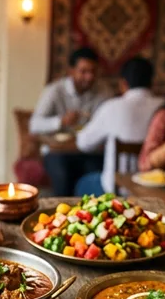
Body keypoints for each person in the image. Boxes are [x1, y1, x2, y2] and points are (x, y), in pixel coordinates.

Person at [74, 56, 164, 196]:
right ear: (152, 82)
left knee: (83, 183)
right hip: (156, 189)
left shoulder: (111, 107)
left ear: (123, 84)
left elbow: (83, 143)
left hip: (117, 192)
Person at [30, 47, 111, 196]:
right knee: (62, 175)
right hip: (57, 152)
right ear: (71, 71)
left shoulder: (103, 91)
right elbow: (34, 125)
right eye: (83, 71)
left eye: (93, 71)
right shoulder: (54, 90)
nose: (89, 77)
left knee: (97, 177)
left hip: (89, 151)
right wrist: (61, 121)